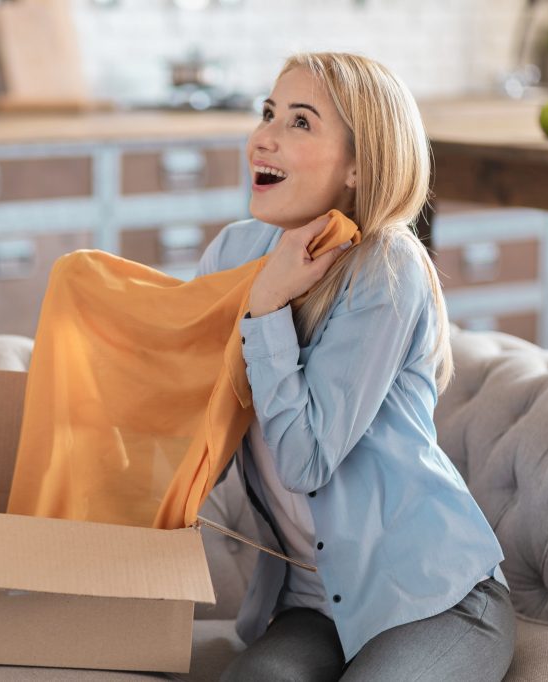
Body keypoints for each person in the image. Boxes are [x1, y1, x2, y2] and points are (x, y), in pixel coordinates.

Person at [199, 52, 516, 681]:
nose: (262, 138)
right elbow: (193, 420)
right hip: (312, 609)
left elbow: (304, 461)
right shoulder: (233, 251)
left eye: (300, 122)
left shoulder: (386, 267)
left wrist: (266, 309)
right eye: (267, 113)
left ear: (359, 165)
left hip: (432, 597)